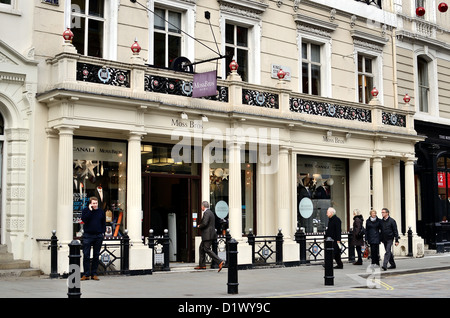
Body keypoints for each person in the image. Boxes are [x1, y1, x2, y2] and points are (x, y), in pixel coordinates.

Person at [81, 197, 106, 281]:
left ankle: (94, 274)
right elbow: (84, 220)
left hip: (98, 236)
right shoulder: (86, 211)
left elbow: (103, 223)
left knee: (96, 255)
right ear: (90, 204)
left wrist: (103, 233)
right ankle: (86, 274)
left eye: (96, 203)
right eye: (93, 203)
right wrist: (90, 211)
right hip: (88, 235)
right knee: (86, 255)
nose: (95, 205)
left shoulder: (101, 212)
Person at [195, 201, 224, 272]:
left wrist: (199, 226)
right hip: (210, 234)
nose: (201, 207)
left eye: (201, 206)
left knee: (207, 249)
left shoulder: (206, 213)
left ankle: (219, 261)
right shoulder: (211, 212)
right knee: (201, 248)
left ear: (203, 206)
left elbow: (205, 223)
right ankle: (202, 265)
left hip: (207, 235)